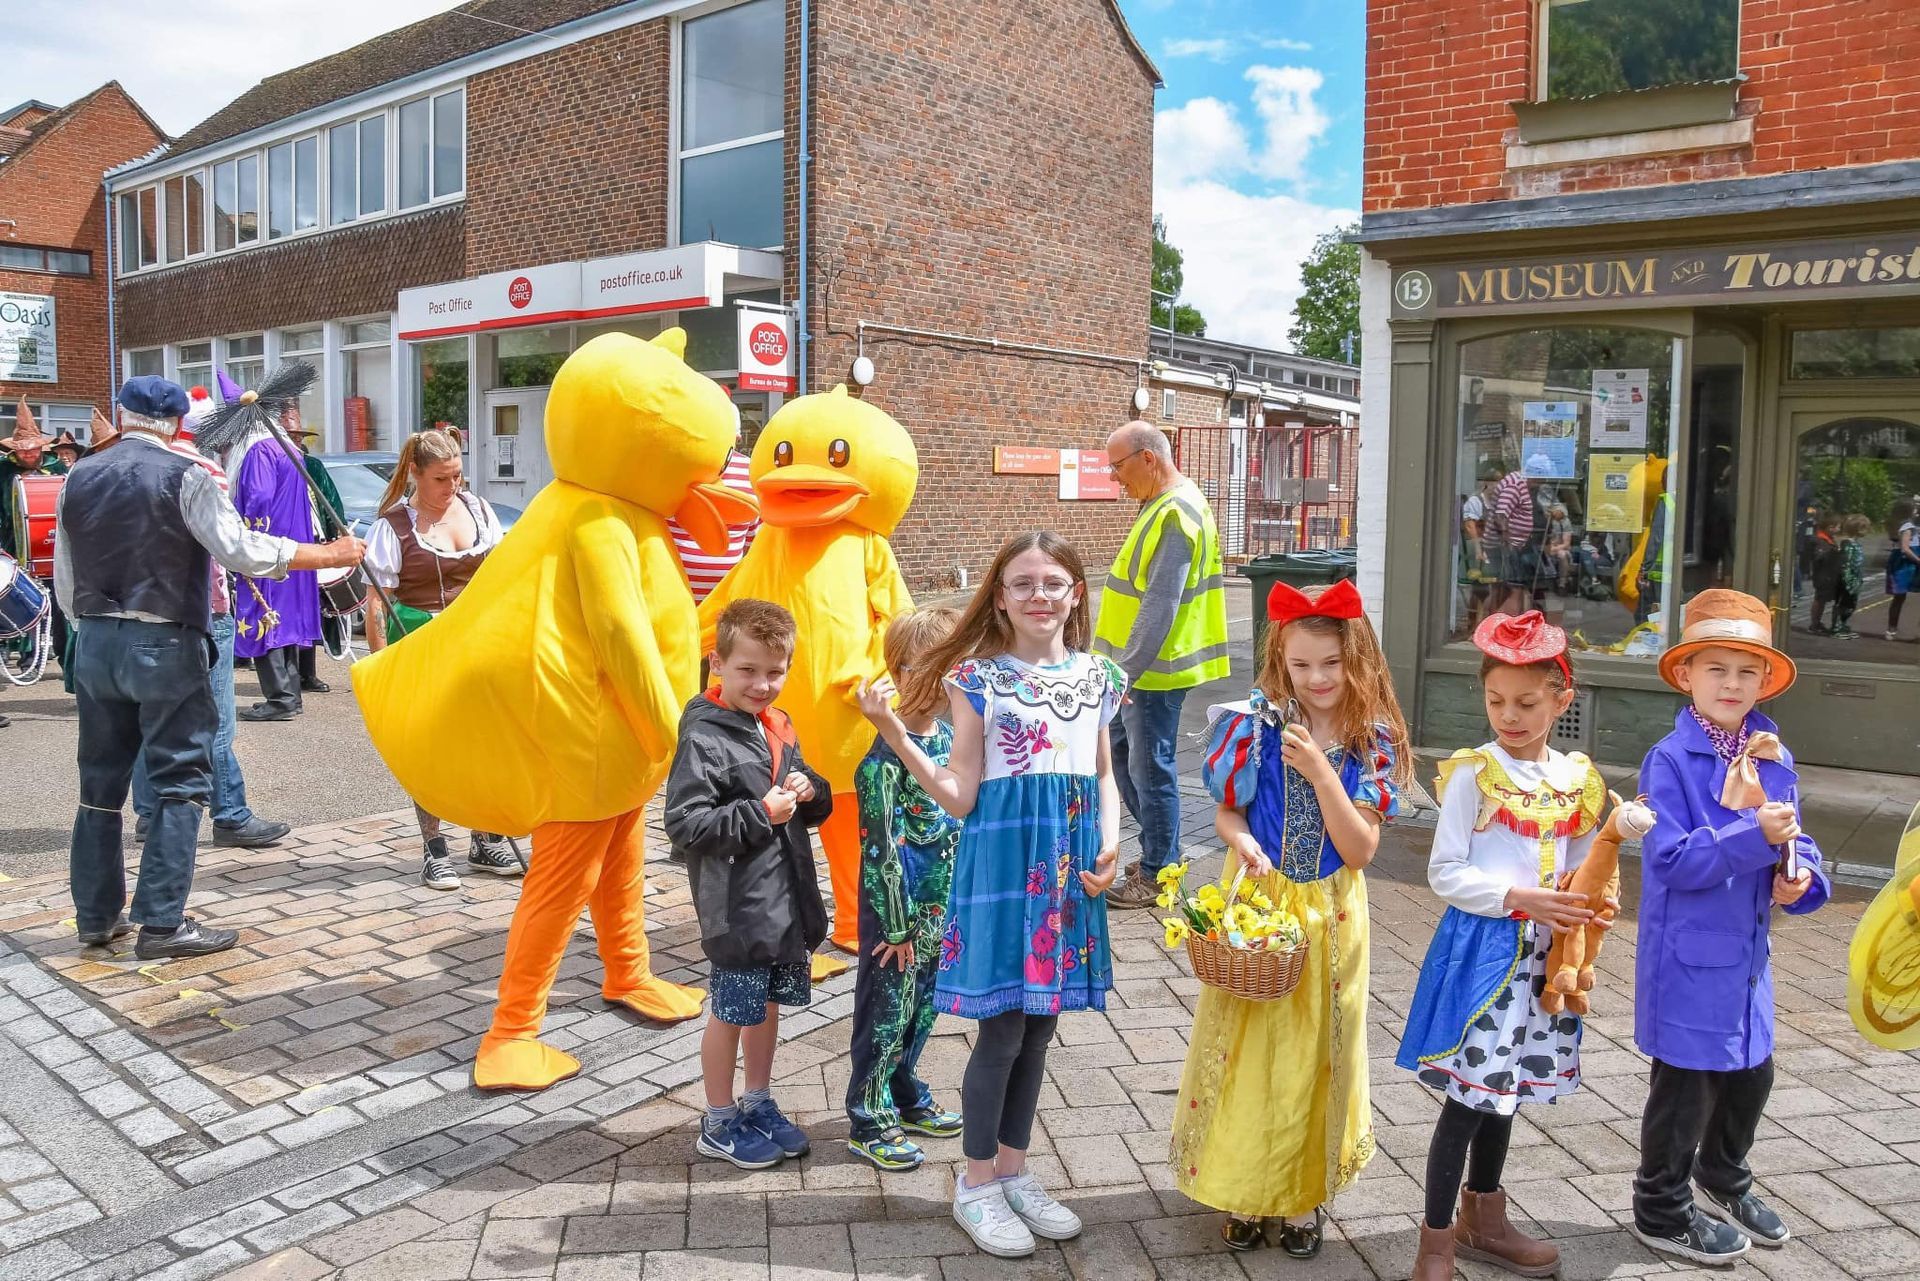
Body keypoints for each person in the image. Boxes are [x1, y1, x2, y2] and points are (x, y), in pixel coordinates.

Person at [860, 530, 1121, 1259]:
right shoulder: (978, 679)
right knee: (1003, 1030)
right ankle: (975, 1184)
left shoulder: (1099, 678)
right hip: (1002, 872)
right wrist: (894, 733)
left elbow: (1105, 775)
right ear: (1000, 598)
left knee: (1039, 1030)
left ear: (1075, 593)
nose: (1040, 595)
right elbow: (961, 793)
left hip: (1068, 875)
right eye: (1022, 583)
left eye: (1053, 582)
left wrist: (1111, 844)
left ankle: (1012, 1171)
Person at [54, 376, 362, 960]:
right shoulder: (186, 473)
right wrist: (328, 554)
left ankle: (96, 916)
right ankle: (162, 924)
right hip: (164, 639)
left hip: (95, 638)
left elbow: (64, 573)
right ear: (176, 423)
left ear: (122, 415)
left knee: (99, 785)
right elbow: (239, 549)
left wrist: (88, 627)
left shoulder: (79, 475)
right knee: (180, 782)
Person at [1174, 578, 1409, 1256]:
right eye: (1301, 664)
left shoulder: (1371, 740)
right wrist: (1240, 839)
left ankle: (1303, 1196)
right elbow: (1229, 813)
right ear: (1280, 658)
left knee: (1316, 1055)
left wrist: (1320, 772)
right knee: (1247, 1052)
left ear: (1356, 658)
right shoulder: (1255, 726)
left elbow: (1359, 849)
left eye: (1331, 663)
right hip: (1260, 903)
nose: (1316, 678)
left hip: (1331, 914)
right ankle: (1246, 1189)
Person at [1398, 610, 1609, 1281]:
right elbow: (1444, 871)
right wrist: (1519, 898)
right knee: (1468, 1099)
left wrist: (1591, 895)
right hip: (1485, 953)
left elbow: (1583, 868)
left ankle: (1483, 1221)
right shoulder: (1475, 773)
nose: (1509, 716)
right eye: (1496, 701)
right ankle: (1435, 1243)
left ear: (1561, 700)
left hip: (1545, 957)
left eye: (1526, 702)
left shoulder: (1576, 780)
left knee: (1505, 1088)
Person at [1631, 589, 1829, 1266]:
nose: (1732, 683)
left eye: (1747, 671)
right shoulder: (1669, 760)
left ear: (1765, 680)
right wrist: (1753, 836)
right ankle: (1660, 1208)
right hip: (1688, 958)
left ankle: (1722, 1175)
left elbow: (1796, 839)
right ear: (1686, 674)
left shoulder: (1772, 754)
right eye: (1716, 668)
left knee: (1752, 1075)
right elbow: (1670, 859)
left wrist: (1801, 877)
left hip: (1747, 960)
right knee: (1685, 1090)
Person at [665, 599, 833, 1171]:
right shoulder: (703, 737)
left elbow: (805, 795)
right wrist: (760, 813)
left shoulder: (777, 723)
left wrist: (810, 788)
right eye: (748, 670)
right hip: (737, 907)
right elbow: (686, 825)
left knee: (767, 1004)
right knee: (732, 1011)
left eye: (774, 672)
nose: (762, 685)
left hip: (784, 901)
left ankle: (757, 1099)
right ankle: (717, 1118)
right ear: (717, 664)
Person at [363, 428, 518, 889]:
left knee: (486, 744)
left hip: (478, 641)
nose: (452, 486)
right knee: (430, 749)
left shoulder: (478, 510)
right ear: (415, 473)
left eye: (457, 476)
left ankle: (486, 838)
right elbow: (376, 605)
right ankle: (434, 849)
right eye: (441, 479)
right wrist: (380, 667)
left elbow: (501, 576)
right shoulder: (393, 526)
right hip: (421, 643)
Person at [130, 409, 291, 849]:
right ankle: (231, 814)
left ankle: (148, 813)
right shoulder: (203, 470)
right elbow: (231, 546)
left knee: (151, 717)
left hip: (148, 609)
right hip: (203, 609)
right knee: (215, 720)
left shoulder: (133, 469)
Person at [844, 606, 965, 1172]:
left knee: (924, 1008)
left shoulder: (950, 740)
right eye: (933, 670)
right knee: (886, 1013)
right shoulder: (882, 764)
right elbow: (881, 852)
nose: (946, 684)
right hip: (898, 919)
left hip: (941, 912)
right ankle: (869, 1115)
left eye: (955, 668)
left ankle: (903, 1087)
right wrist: (896, 928)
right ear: (900, 673)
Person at [1095, 422, 1228, 910]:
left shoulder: (1176, 513)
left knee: (1149, 769)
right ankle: (1163, 853)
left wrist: (1124, 674)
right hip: (1139, 670)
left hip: (1150, 673)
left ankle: (1157, 872)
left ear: (1148, 458)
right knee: (1126, 758)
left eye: (1118, 466)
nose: (1114, 477)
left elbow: (1160, 604)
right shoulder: (1164, 502)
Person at [223, 383, 324, 722]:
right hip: (294, 548)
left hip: (268, 547)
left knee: (264, 616)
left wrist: (244, 537)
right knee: (285, 621)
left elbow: (259, 496)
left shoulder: (259, 450)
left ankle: (280, 698)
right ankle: (290, 696)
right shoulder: (288, 447)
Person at [668, 437, 758, 604]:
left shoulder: (750, 471)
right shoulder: (671, 463)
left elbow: (753, 546)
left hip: (725, 603)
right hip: (665, 601)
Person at [291, 422, 346, 693]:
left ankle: (308, 673)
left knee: (313, 611)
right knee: (290, 613)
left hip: (314, 543)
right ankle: (290, 676)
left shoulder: (312, 466)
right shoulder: (271, 464)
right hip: (287, 547)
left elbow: (331, 503)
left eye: (297, 437)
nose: (296, 441)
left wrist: (337, 535)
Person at [1485, 465, 1535, 617]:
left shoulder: (1518, 483)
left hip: (1510, 544)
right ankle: (1505, 623)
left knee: (1504, 589)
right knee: (1514, 588)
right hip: (1506, 546)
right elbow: (1501, 515)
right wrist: (1508, 541)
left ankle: (1494, 622)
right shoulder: (1515, 484)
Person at [1885, 498, 1918, 641]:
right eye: (1915, 508)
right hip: (1908, 563)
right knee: (1899, 596)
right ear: (1910, 511)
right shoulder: (1908, 526)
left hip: (1902, 562)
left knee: (1899, 597)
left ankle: (1891, 629)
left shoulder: (1900, 524)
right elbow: (1905, 548)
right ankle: (1891, 629)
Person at [1834, 513, 1870, 640]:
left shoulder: (1855, 543)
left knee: (1851, 604)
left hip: (1855, 577)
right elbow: (1846, 563)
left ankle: (1843, 624)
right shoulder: (1848, 544)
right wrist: (1848, 580)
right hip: (1849, 579)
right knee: (1844, 603)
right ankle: (1837, 627)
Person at [1807, 514, 1842, 635]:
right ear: (1830, 527)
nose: (1839, 530)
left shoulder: (1828, 539)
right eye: (1838, 527)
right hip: (1823, 575)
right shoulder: (1821, 541)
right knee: (1820, 599)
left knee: (1822, 599)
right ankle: (1814, 624)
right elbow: (1819, 557)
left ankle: (1816, 623)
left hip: (1828, 574)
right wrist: (1833, 553)